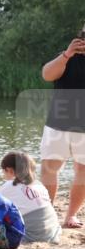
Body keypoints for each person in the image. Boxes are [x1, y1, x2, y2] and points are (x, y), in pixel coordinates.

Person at [39, 27, 85, 228]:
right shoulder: (65, 57)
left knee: (83, 171)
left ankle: (71, 216)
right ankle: (46, 214)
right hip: (58, 124)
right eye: (83, 36)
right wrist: (67, 54)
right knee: (49, 168)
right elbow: (47, 75)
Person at [0, 151, 61, 244]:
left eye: (4, 172)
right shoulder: (39, 184)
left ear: (9, 170)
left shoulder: (9, 185)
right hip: (52, 233)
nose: (4, 176)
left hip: (30, 236)